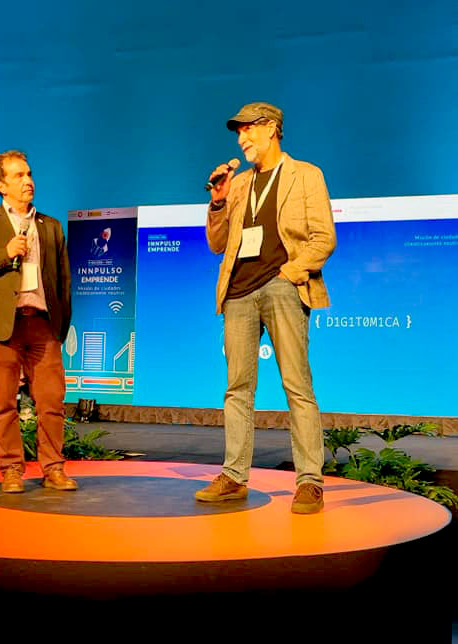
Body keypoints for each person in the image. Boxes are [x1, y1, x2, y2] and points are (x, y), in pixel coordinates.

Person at [195, 102, 336, 514]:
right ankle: (234, 477)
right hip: (238, 292)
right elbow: (217, 244)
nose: (242, 139)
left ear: (271, 128)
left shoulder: (306, 175)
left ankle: (309, 481)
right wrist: (218, 203)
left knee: (297, 386)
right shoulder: (239, 184)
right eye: (238, 132)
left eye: (248, 130)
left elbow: (323, 238)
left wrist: (291, 272)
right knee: (237, 389)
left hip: (283, 287)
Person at [0, 150, 75, 493]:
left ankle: (53, 468)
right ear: (1, 185)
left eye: (29, 174)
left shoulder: (51, 226)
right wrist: (5, 253)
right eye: (19, 175)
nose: (28, 181)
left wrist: (60, 327)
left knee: (51, 401)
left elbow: (63, 281)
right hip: (2, 327)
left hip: (42, 325)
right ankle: (11, 469)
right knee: (3, 403)